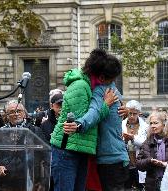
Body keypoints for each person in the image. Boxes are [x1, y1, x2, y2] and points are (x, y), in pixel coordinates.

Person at [50, 48, 119, 191]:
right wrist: (106, 105)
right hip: (66, 150)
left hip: (79, 149)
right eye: (110, 81)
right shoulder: (80, 86)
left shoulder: (89, 85)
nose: (110, 84)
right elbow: (83, 120)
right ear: (101, 78)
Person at [122, 100, 148, 190]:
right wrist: (124, 140)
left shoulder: (145, 126)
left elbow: (145, 144)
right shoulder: (121, 125)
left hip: (139, 163)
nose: (132, 116)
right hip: (126, 163)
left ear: (139, 113)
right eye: (130, 113)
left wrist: (133, 139)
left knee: (141, 187)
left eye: (134, 113)